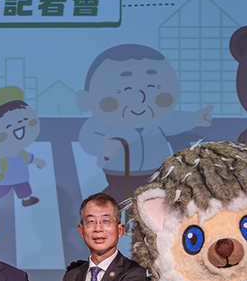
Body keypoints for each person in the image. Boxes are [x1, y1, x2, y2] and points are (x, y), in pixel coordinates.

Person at [76, 44, 212, 205]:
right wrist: (103, 145)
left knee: (157, 202)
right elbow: (88, 137)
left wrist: (195, 119)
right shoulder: (101, 123)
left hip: (155, 175)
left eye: (151, 89)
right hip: (118, 175)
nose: (140, 99)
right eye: (125, 91)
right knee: (113, 201)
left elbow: (176, 121)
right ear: (86, 100)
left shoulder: (158, 121)